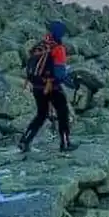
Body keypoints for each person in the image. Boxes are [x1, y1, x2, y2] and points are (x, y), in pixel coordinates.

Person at [18, 20, 78, 152]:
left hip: (37, 87)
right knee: (63, 113)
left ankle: (25, 140)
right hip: (52, 87)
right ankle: (65, 143)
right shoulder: (58, 48)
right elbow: (60, 73)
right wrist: (72, 83)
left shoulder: (41, 45)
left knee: (41, 115)